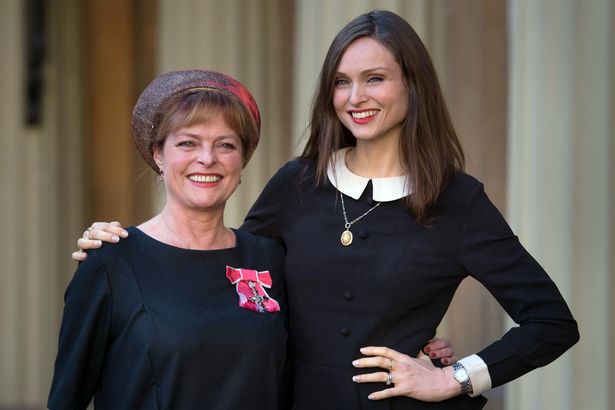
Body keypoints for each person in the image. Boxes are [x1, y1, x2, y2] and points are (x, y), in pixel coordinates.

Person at [71, 10, 579, 409]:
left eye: (375, 78)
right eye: (341, 81)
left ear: (412, 85)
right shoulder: (298, 183)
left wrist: (453, 377)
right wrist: (130, 250)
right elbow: (228, 278)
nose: (355, 97)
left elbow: (552, 323)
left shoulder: (459, 201)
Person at [48, 70, 290, 409]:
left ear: (241, 161)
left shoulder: (269, 259)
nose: (207, 158)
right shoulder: (111, 262)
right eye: (188, 143)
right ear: (158, 155)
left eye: (226, 145)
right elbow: (66, 400)